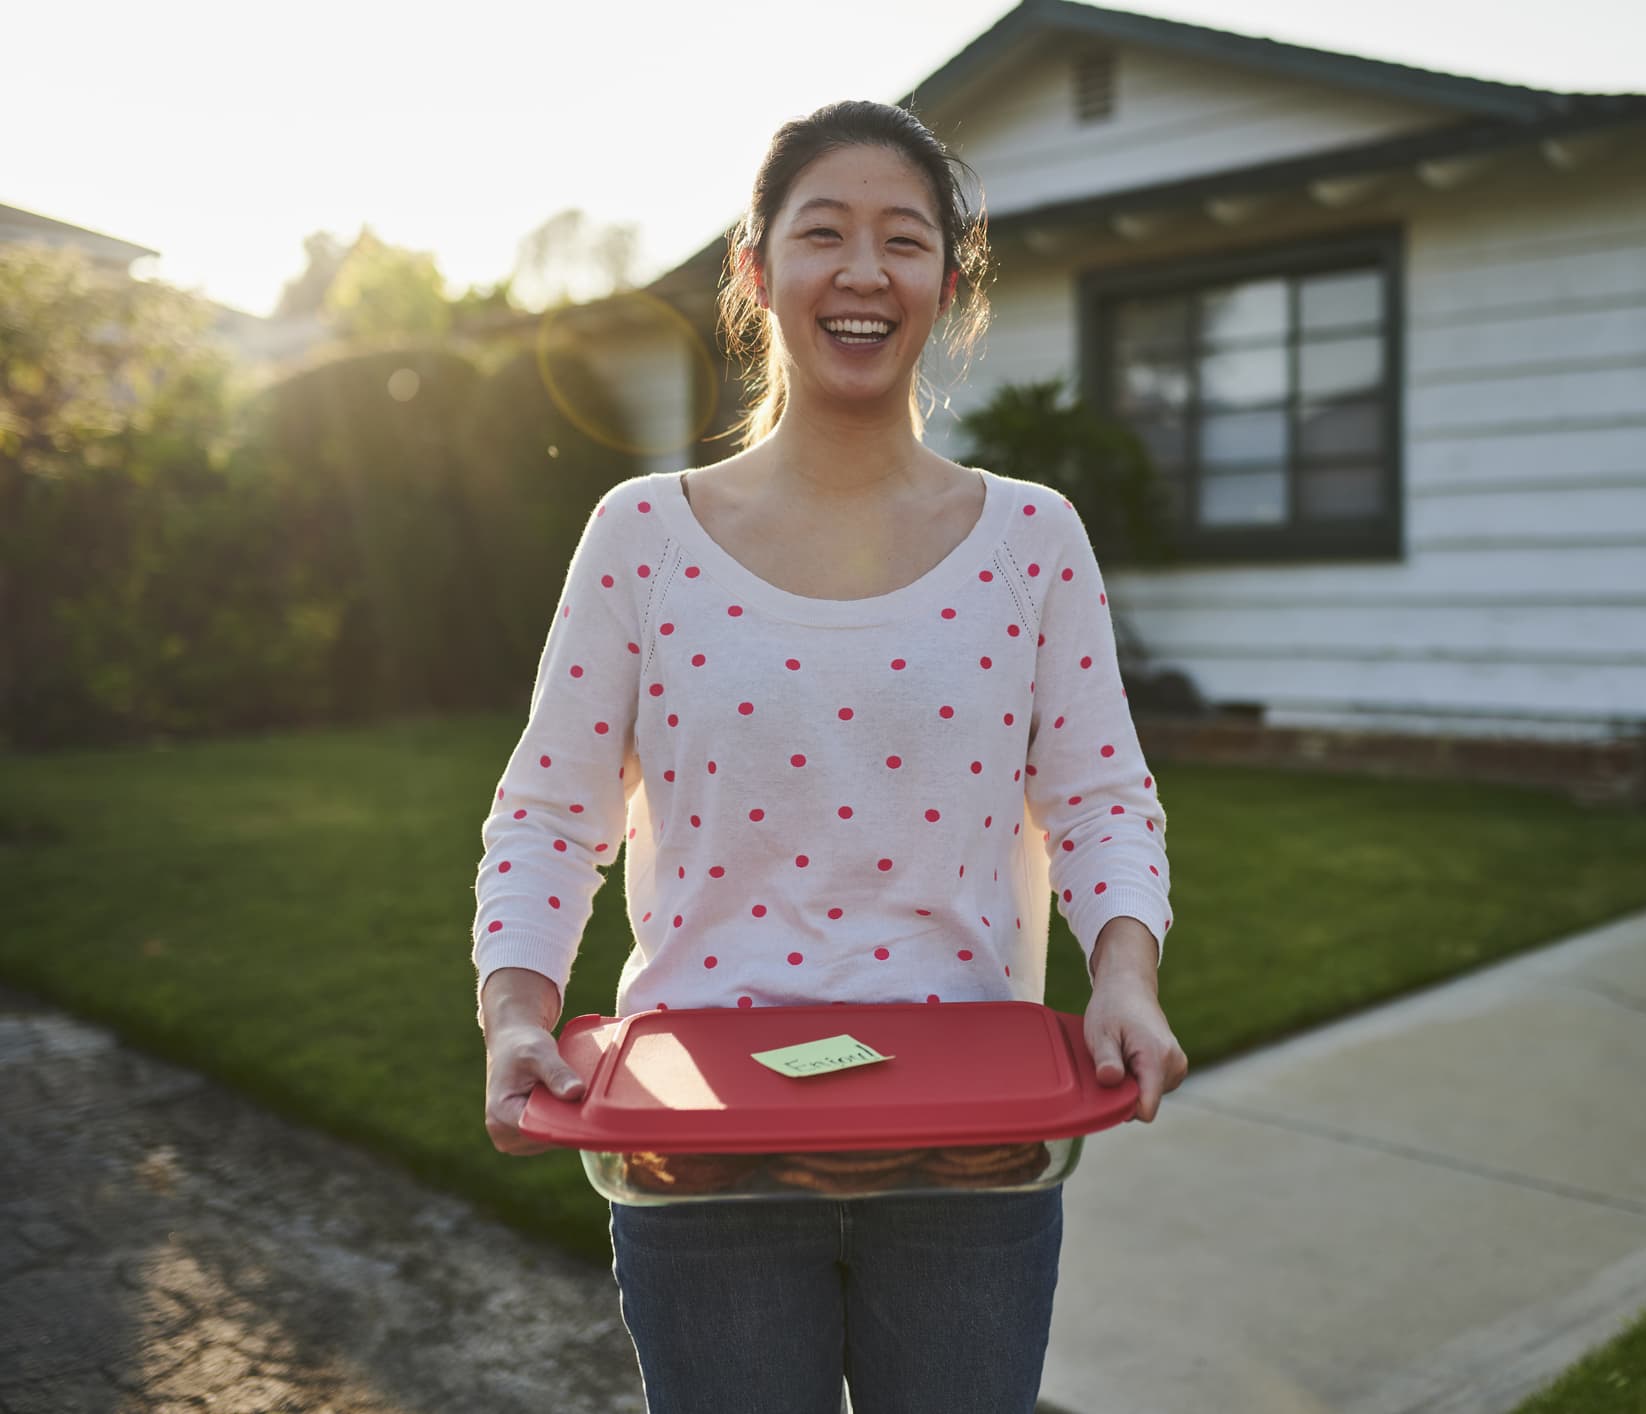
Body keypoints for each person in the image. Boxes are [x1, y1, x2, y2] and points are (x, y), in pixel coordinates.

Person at [470, 99, 1185, 1414]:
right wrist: (515, 1007)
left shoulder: (1033, 538)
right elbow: (547, 811)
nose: (864, 271)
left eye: (904, 240)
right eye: (824, 234)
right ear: (755, 273)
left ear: (948, 283)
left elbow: (1096, 800)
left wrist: (1124, 975)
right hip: (704, 1157)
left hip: (970, 1156)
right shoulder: (642, 535)